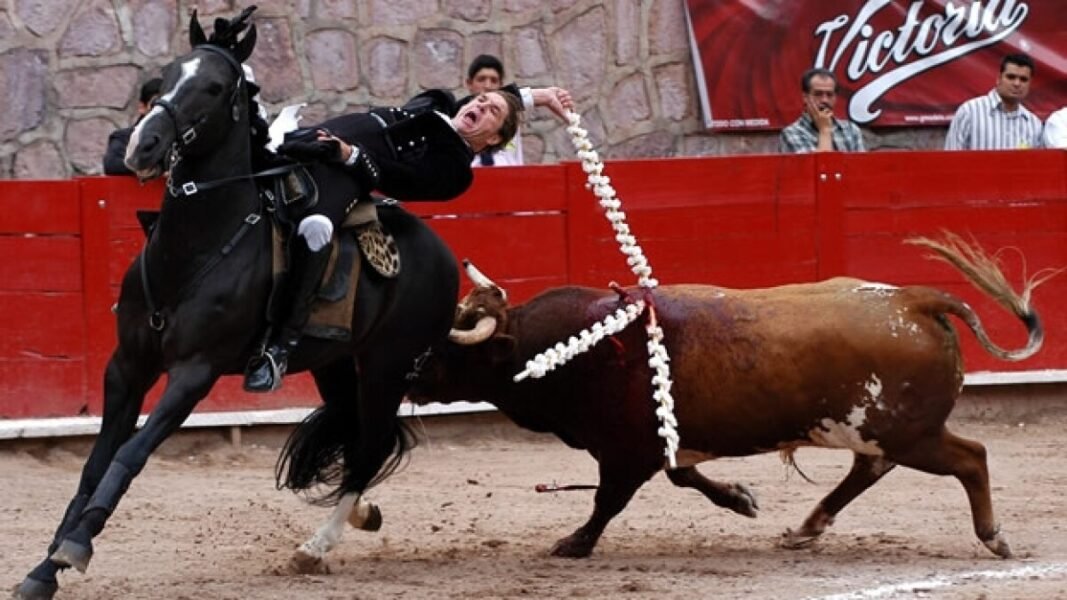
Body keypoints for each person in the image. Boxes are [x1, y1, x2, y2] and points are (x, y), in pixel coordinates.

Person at [243, 84, 574, 392]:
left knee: (316, 229)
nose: (481, 104)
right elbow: (489, 100)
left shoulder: (455, 170)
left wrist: (350, 155)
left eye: (492, 112)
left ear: (493, 139)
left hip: (340, 173)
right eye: (480, 99)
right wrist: (538, 96)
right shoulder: (441, 104)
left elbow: (397, 179)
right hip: (308, 138)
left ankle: (279, 348)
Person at [944, 53, 1043, 151]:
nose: (1017, 83)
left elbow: (1037, 165)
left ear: (1030, 84)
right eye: (1011, 77)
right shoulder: (970, 112)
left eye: (1023, 79)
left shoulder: (1034, 125)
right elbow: (950, 159)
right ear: (999, 79)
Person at [779, 68, 865, 153]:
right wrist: (825, 130)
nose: (825, 100)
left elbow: (861, 165)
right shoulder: (792, 133)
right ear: (805, 97)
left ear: (835, 98)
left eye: (829, 95)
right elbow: (820, 166)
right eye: (818, 94)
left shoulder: (851, 130)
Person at [463, 54, 523, 166]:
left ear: (501, 85)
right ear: (469, 83)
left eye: (494, 80)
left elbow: (517, 157)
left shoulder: (509, 120)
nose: (488, 86)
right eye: (481, 79)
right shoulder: (460, 119)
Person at [103, 78, 163, 175]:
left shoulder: (182, 140)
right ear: (142, 107)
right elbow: (112, 164)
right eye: (156, 105)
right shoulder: (124, 138)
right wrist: (154, 168)